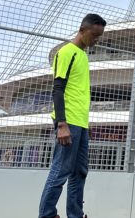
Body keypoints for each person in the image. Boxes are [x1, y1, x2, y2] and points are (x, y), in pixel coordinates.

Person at [38, 13, 106, 218]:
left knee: (80, 172)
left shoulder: (83, 55)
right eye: (94, 35)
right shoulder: (67, 52)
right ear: (82, 30)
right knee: (60, 171)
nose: (96, 39)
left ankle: (75, 214)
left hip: (81, 123)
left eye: (99, 36)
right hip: (67, 122)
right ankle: (47, 215)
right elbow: (57, 89)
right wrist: (61, 123)